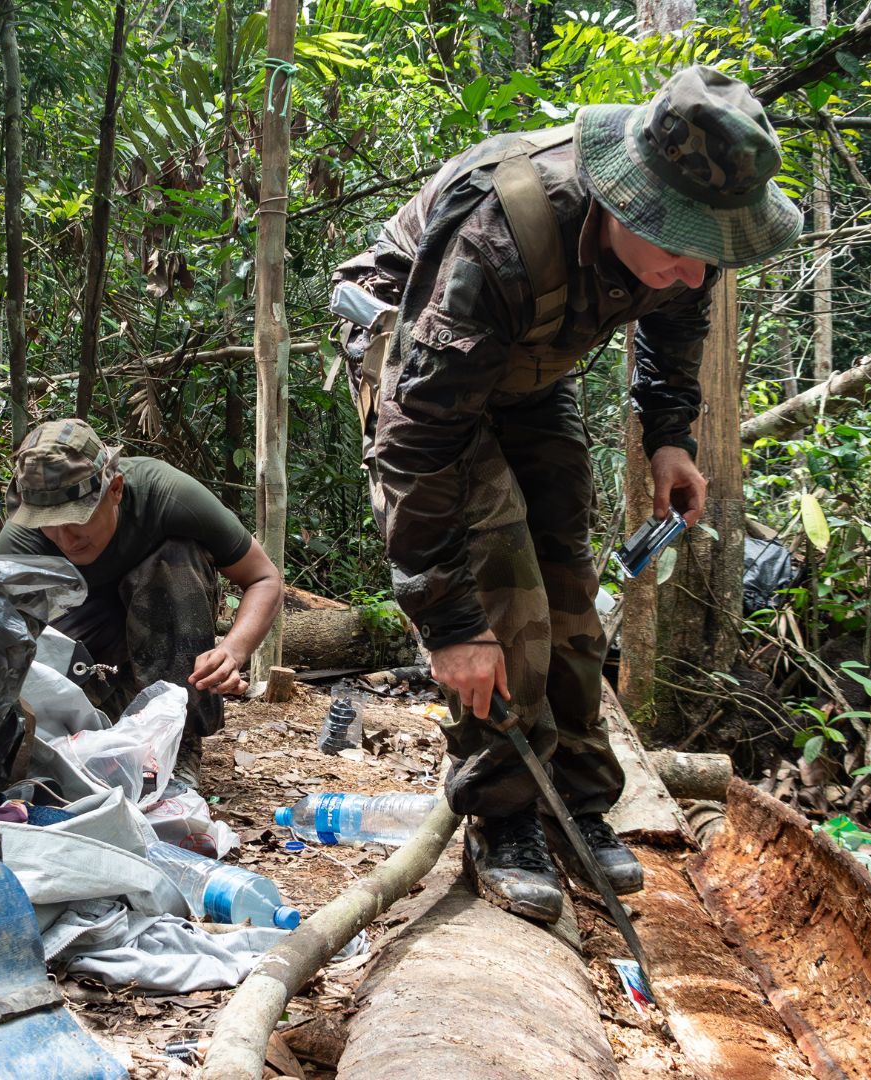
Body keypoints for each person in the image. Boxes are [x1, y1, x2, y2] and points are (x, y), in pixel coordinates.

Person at [328, 66, 801, 922]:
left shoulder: (686, 242)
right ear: (625, 202)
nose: (695, 275)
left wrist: (669, 438)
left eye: (709, 254)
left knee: (566, 576)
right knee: (502, 587)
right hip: (424, 373)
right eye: (678, 249)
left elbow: (678, 318)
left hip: (529, 369)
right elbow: (418, 436)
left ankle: (578, 799)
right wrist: (448, 623)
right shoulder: (501, 232)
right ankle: (503, 816)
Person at [0, 418, 283, 789]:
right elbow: (0, 649)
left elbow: (263, 577)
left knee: (174, 557)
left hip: (167, 667)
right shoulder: (21, 543)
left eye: (76, 519)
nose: (65, 537)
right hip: (89, 679)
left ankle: (177, 747)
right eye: (48, 523)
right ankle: (95, 740)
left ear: (114, 489)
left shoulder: (165, 495)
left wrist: (233, 650)